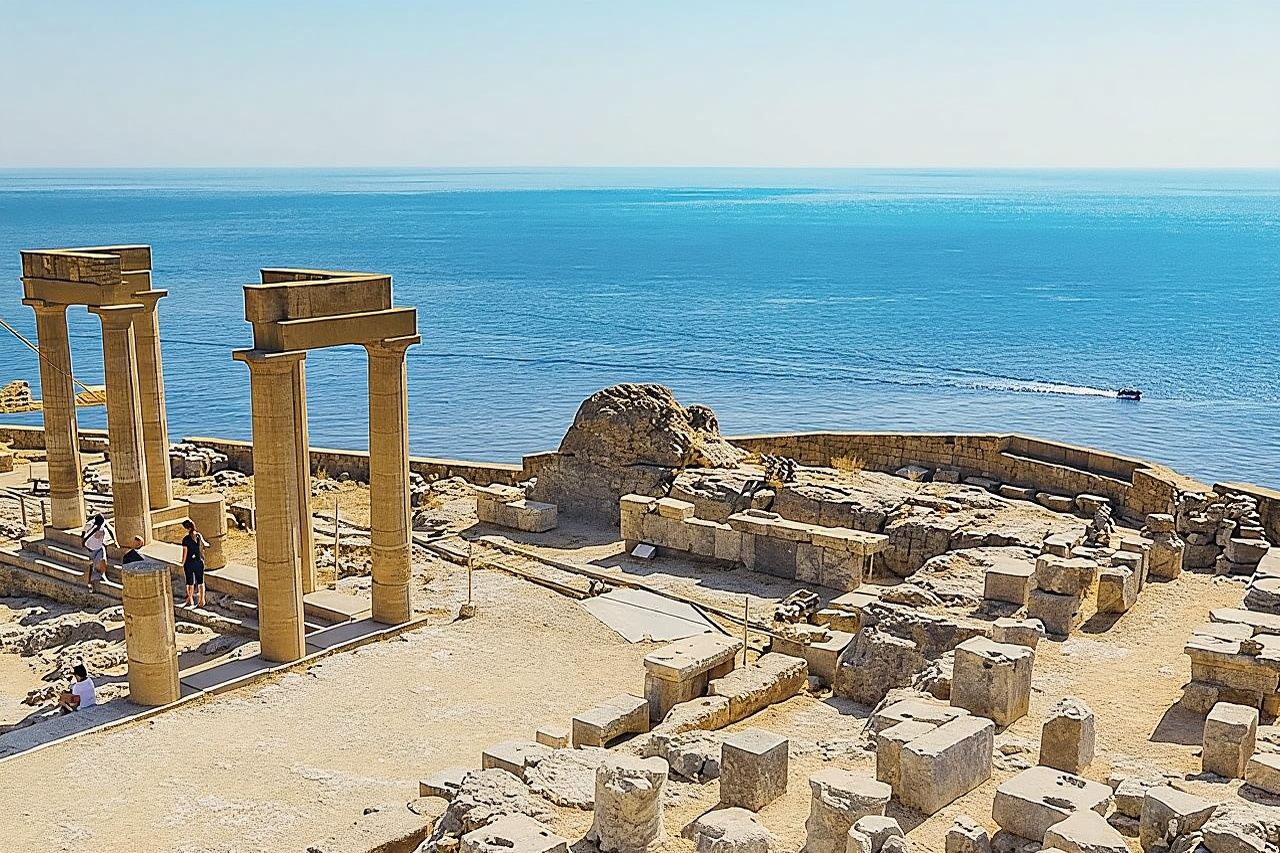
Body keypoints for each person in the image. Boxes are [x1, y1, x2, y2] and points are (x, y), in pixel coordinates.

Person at [79, 513, 114, 590]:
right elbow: (83, 534)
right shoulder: (89, 525)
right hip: (90, 549)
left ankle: (103, 575)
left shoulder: (103, 524)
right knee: (91, 567)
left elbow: (110, 530)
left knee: (103, 560)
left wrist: (115, 541)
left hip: (99, 547)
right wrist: (84, 543)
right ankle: (90, 582)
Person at [180, 519, 209, 608]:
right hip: (199, 561)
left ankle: (190, 599)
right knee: (201, 582)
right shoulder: (198, 535)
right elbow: (206, 544)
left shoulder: (186, 539)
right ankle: (201, 601)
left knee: (190, 582)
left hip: (189, 563)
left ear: (186, 528)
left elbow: (185, 553)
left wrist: (182, 563)